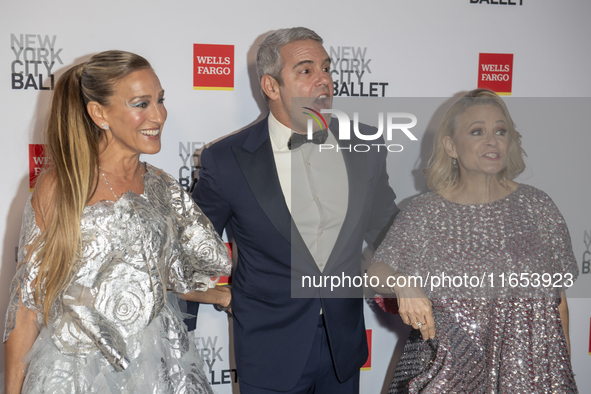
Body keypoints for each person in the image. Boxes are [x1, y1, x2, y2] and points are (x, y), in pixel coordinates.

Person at [2, 50, 232, 394]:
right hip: (74, 369)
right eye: (141, 103)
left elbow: (161, 277)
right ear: (99, 113)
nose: (159, 115)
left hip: (158, 364)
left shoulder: (164, 187)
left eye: (160, 100)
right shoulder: (61, 186)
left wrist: (224, 296)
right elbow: (27, 304)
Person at [191, 27, 398, 394]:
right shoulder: (227, 161)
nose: (324, 81)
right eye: (305, 71)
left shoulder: (364, 144)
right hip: (269, 350)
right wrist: (185, 330)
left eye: (326, 68)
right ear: (271, 87)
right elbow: (191, 253)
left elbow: (388, 228)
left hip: (343, 348)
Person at [368, 89, 578, 393]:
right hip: (449, 378)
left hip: (530, 381)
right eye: (477, 131)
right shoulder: (426, 212)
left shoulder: (539, 208)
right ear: (451, 146)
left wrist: (562, 376)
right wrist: (402, 282)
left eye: (501, 131)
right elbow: (377, 271)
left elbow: (558, 305)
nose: (492, 140)